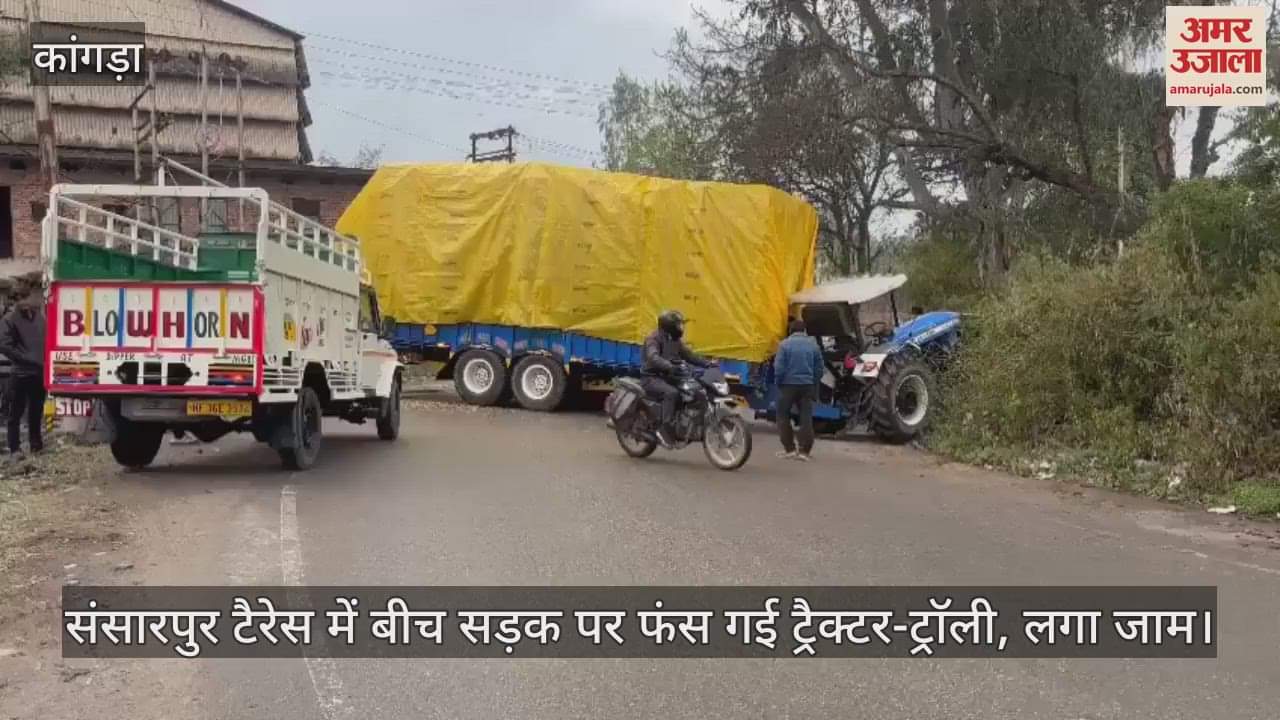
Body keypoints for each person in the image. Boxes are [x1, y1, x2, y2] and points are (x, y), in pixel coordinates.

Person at [642, 309, 711, 448]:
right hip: (652, 378)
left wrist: (707, 363)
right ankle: (665, 429)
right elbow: (653, 357)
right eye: (678, 325)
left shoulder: (675, 340)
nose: (681, 328)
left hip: (669, 376)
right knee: (671, 393)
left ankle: (683, 424)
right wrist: (668, 365)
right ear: (669, 326)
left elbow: (689, 355)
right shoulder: (653, 339)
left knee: (693, 390)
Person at [0, 287, 46, 456]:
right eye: (27, 297)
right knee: (15, 413)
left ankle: (36, 445)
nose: (32, 301)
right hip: (20, 372)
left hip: (39, 372)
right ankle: (14, 448)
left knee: (36, 410)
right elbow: (4, 345)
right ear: (19, 300)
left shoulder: (39, 318)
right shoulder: (9, 319)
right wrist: (25, 357)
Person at [773, 318, 824, 461]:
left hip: (788, 385)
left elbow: (779, 368)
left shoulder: (784, 345)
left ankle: (789, 449)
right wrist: (813, 381)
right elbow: (820, 368)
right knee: (806, 418)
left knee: (783, 416)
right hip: (807, 386)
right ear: (804, 331)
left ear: (791, 330)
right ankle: (804, 452)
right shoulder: (813, 346)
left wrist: (779, 382)